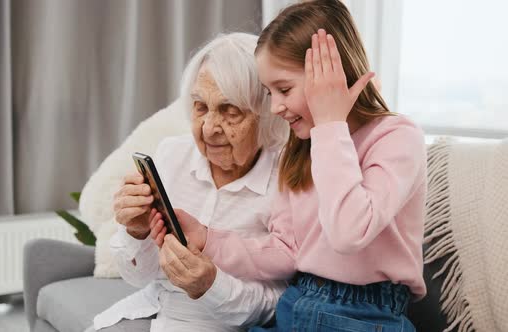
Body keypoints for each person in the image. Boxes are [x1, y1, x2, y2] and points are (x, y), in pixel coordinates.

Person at [150, 1, 427, 331]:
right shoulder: (303, 149)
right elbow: (284, 253)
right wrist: (208, 238)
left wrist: (329, 123)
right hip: (296, 304)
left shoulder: (396, 137)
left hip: (366, 315)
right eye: (269, 93)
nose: (276, 107)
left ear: (330, 78)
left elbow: (349, 232)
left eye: (284, 89)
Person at [88, 32, 290, 332]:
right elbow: (138, 276)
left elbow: (277, 305)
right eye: (200, 107)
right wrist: (136, 231)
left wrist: (211, 285)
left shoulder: (286, 181)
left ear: (266, 113)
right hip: (151, 309)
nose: (209, 129)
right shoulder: (173, 153)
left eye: (229, 111)